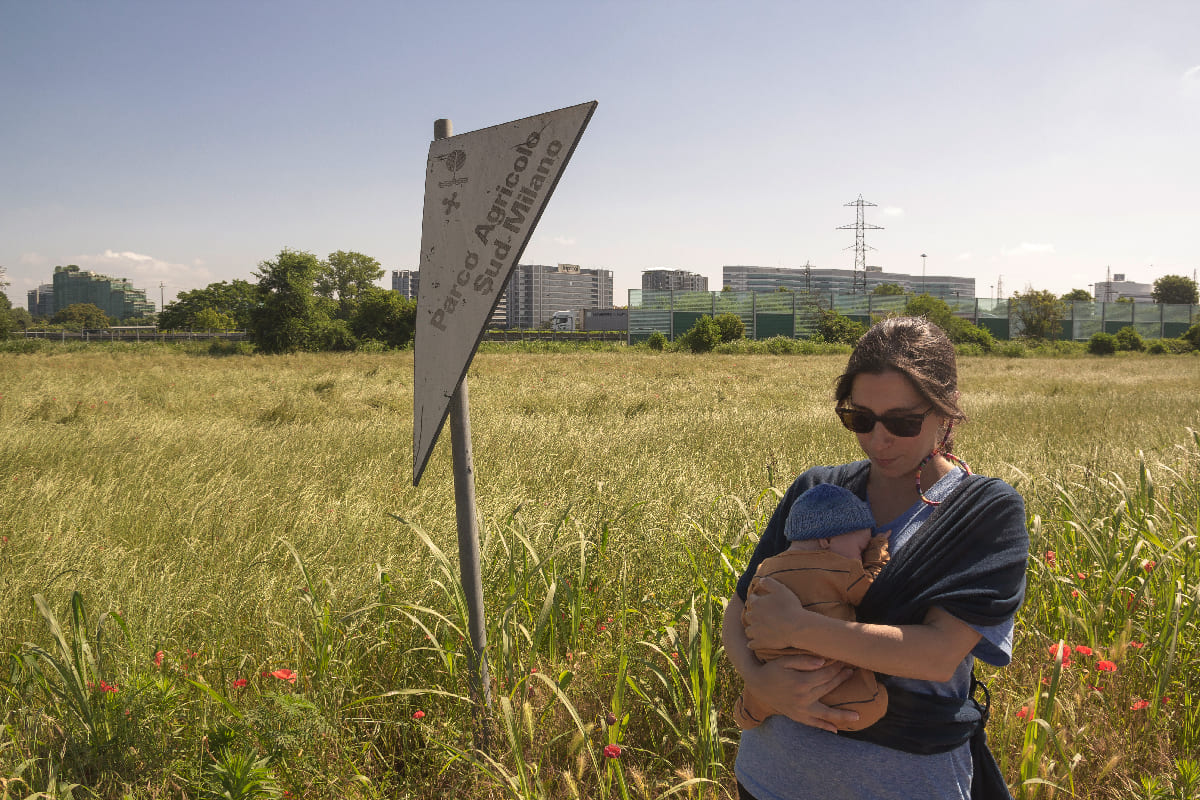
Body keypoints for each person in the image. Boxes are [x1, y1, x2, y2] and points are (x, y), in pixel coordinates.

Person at [723, 316, 1029, 800]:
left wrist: (798, 628)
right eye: (860, 418)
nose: (878, 440)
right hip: (768, 778)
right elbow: (740, 609)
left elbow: (936, 655)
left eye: (903, 422)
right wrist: (760, 685)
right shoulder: (818, 491)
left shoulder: (984, 510)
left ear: (945, 411)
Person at [735, 483, 891, 731]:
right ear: (826, 540)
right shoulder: (840, 569)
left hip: (772, 668)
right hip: (825, 669)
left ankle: (755, 705)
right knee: (874, 702)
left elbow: (746, 615)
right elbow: (870, 590)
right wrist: (876, 555)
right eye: (860, 549)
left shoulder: (766, 568)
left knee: (761, 694)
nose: (859, 558)